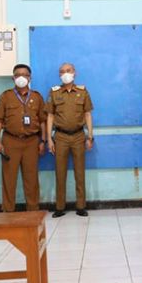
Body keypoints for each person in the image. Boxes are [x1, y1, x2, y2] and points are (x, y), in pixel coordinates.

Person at [0, 64, 46, 212]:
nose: (21, 77)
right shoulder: (5, 96)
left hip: (32, 142)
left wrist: (43, 141)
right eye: (18, 75)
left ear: (30, 77)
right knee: (9, 179)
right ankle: (8, 211)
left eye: (25, 74)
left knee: (31, 179)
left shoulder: (37, 97)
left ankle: (33, 210)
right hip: (10, 141)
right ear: (13, 78)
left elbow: (43, 121)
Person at [45, 63, 94, 218]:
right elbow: (50, 116)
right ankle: (60, 207)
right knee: (60, 173)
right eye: (62, 72)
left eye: (68, 71)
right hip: (60, 137)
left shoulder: (82, 92)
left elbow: (87, 114)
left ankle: (81, 206)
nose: (65, 74)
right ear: (59, 75)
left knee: (80, 172)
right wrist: (49, 140)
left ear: (75, 73)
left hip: (79, 136)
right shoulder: (54, 92)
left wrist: (90, 136)